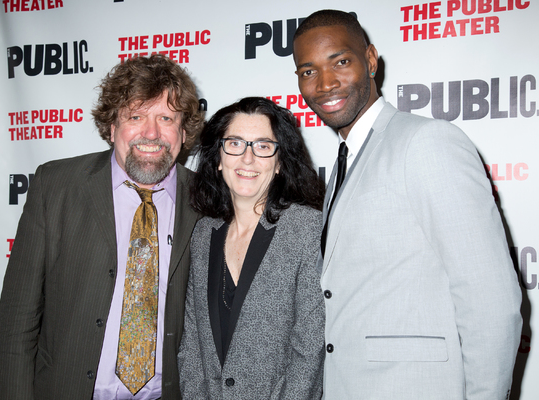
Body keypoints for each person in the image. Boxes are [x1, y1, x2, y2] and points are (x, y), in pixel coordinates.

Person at [292, 9, 522, 400]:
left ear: (370, 60)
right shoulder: (344, 161)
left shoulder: (426, 142)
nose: (326, 83)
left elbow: (491, 300)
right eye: (308, 71)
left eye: (341, 62)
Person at [0, 54, 204, 400]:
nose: (151, 133)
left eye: (166, 118)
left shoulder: (206, 201)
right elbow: (18, 321)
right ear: (111, 126)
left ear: (183, 131)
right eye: (135, 116)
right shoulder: (56, 186)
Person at [177, 97, 325, 399]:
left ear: (280, 161)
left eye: (262, 146)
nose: (247, 158)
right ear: (218, 158)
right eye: (235, 143)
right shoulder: (204, 233)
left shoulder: (307, 229)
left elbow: (310, 348)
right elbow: (192, 343)